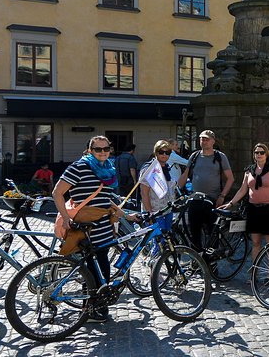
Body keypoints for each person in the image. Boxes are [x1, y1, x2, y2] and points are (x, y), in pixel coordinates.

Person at [52, 135, 134, 323]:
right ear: (90, 150)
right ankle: (90, 309)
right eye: (98, 149)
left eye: (106, 149)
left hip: (103, 225)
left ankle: (98, 306)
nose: (103, 152)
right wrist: (65, 218)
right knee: (92, 269)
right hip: (86, 226)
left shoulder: (108, 169)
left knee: (102, 266)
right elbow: (57, 193)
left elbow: (106, 200)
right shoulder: (79, 167)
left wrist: (127, 216)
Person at [220, 143, 269, 266]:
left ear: (266, 154)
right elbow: (242, 190)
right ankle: (254, 272)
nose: (259, 155)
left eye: (261, 152)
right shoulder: (249, 171)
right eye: (256, 152)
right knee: (255, 242)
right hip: (253, 209)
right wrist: (230, 203)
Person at [177, 130, 235, 253]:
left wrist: (222, 196)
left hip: (213, 199)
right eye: (202, 139)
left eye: (207, 139)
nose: (204, 141)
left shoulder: (220, 157)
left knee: (212, 233)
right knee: (194, 232)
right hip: (195, 199)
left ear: (213, 141)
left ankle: (212, 263)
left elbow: (230, 179)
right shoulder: (195, 156)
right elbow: (185, 174)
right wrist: (176, 189)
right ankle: (197, 261)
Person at [140, 140, 177, 225]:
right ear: (156, 153)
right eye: (161, 152)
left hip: (168, 212)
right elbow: (144, 194)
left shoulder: (168, 169)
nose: (164, 155)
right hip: (154, 213)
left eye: (167, 152)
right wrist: (150, 215)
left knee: (168, 237)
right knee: (157, 238)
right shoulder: (148, 169)